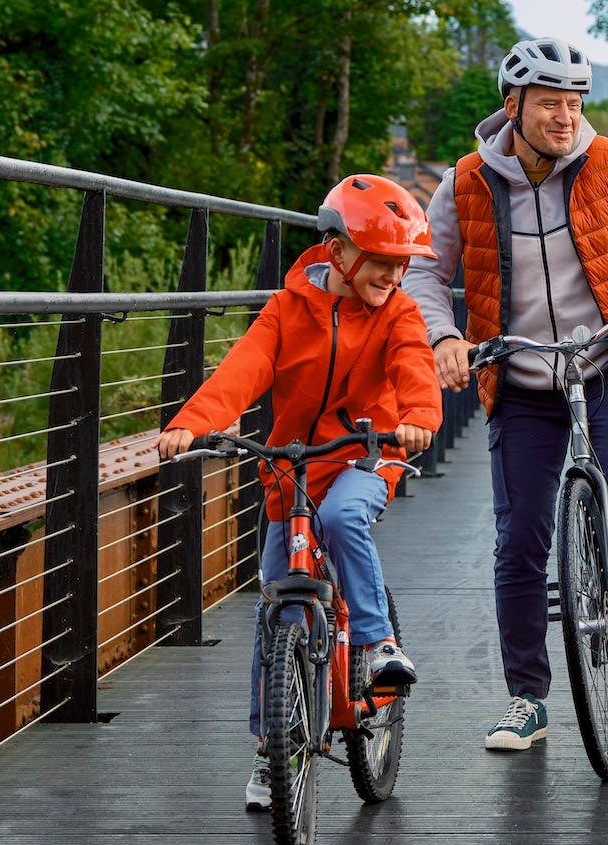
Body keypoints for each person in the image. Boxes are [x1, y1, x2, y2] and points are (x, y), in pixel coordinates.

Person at [403, 36, 608, 752]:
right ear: (512, 105)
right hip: (519, 377)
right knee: (518, 541)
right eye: (549, 102)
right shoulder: (463, 183)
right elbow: (424, 269)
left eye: (574, 103)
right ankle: (526, 698)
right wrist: (443, 336)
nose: (564, 116)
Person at [158, 174, 443, 811]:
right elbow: (245, 368)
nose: (393, 277)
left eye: (402, 265)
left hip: (370, 453)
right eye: (383, 262)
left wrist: (420, 415)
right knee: (278, 607)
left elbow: (413, 364)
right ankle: (273, 751)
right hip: (293, 468)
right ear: (338, 252)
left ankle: (375, 646)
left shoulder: (397, 312)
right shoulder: (288, 309)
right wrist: (193, 423)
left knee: (344, 517)